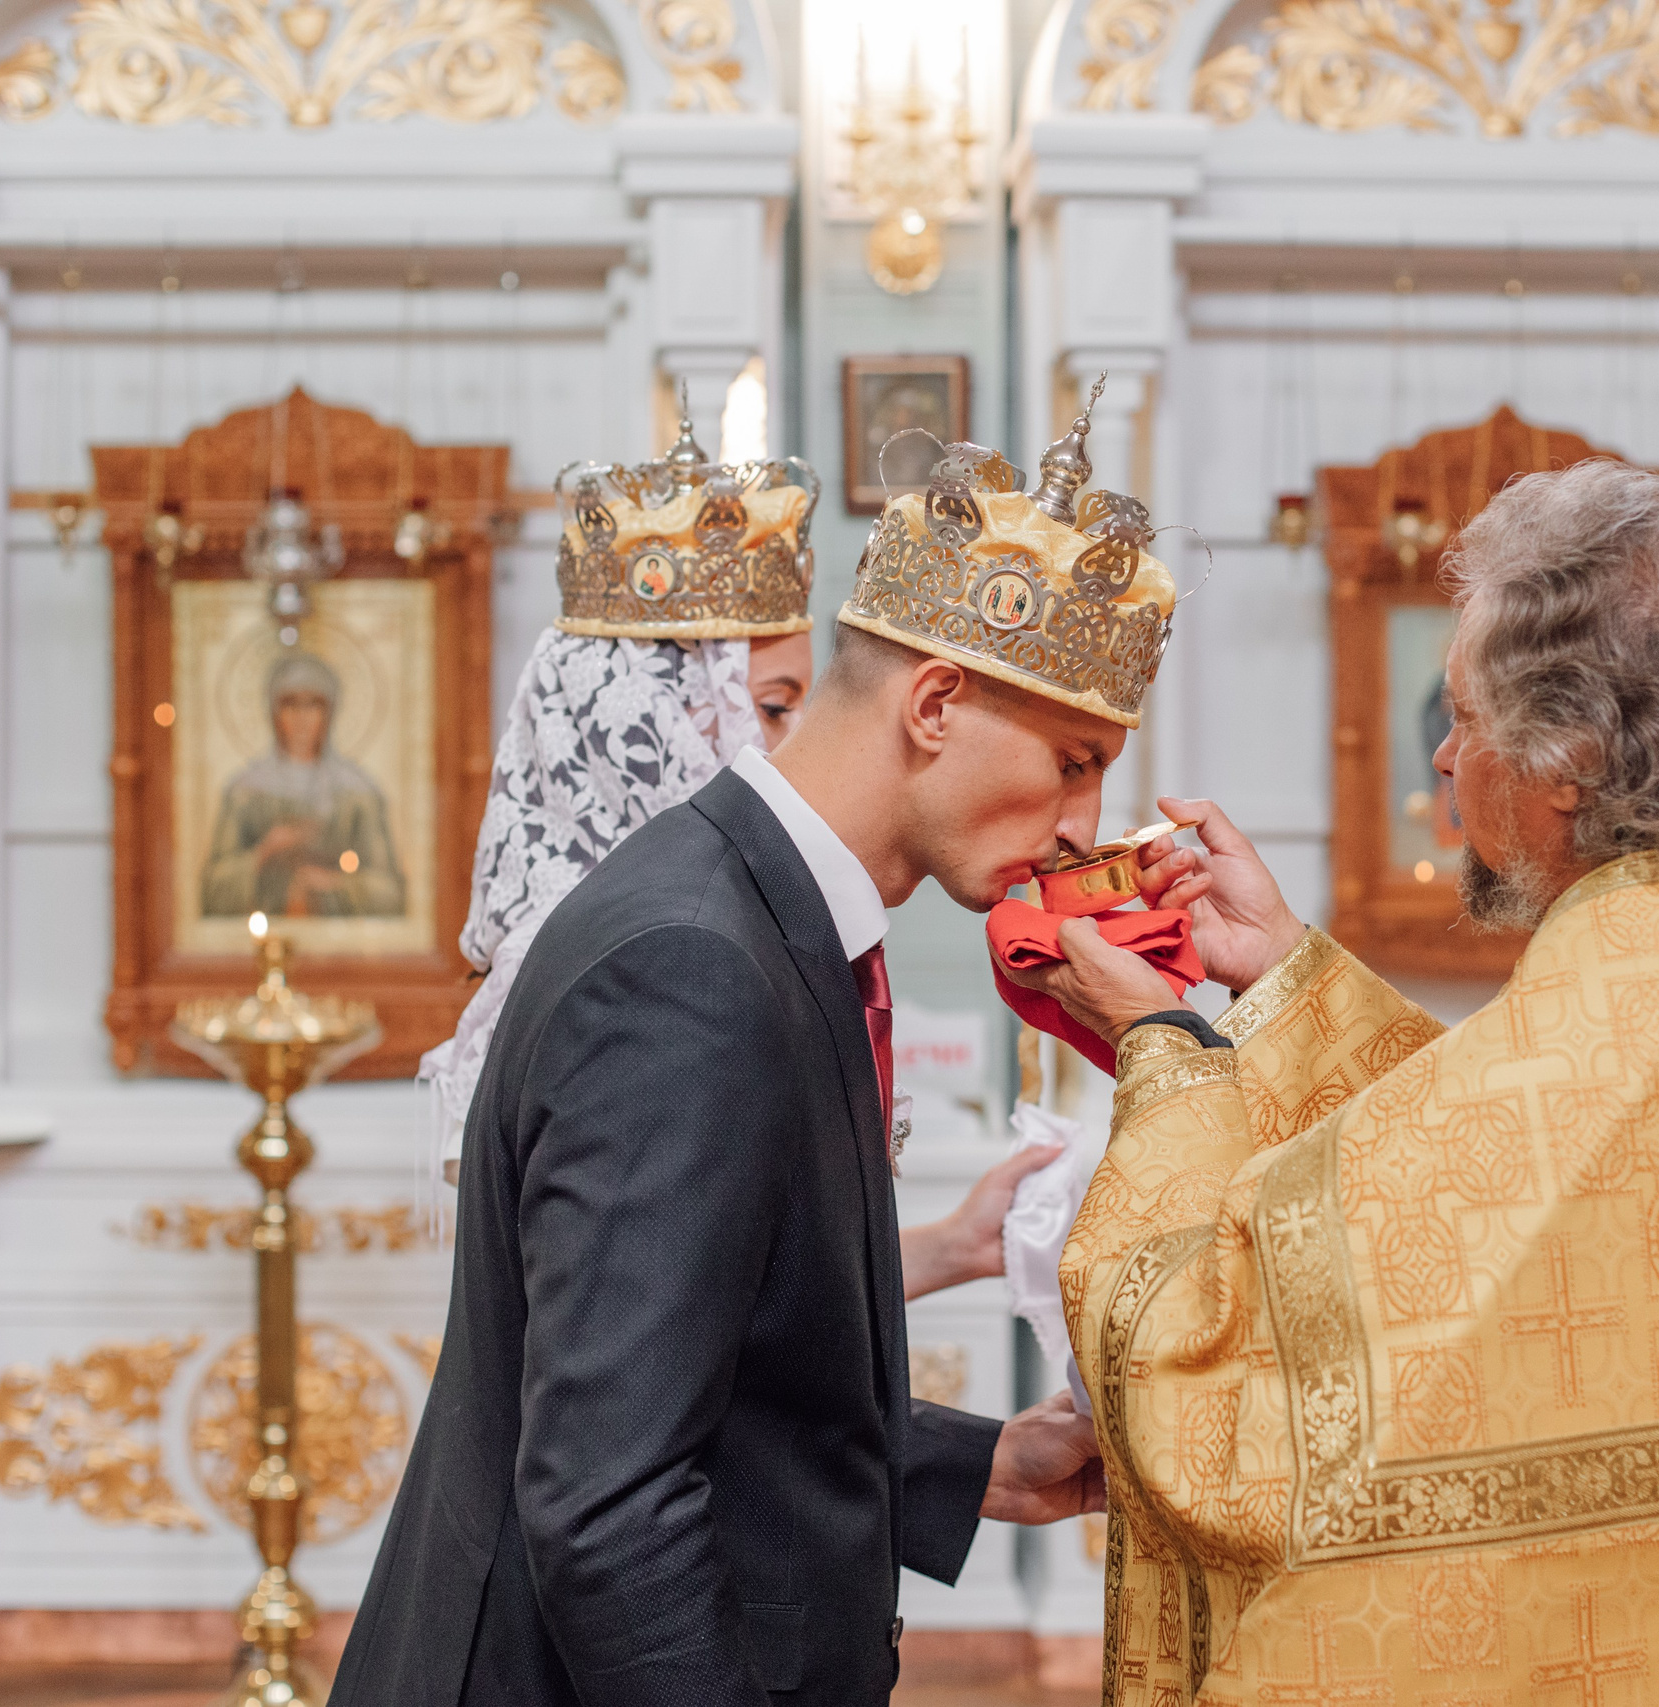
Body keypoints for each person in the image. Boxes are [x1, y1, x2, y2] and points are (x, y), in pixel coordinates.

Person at [1009, 460, 1659, 1705]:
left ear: (1566, 757)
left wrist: (1165, 1046)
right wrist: (1287, 983)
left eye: (1464, 718)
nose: (1447, 755)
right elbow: (1520, 1179)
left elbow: (1209, 1388)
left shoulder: (1648, 1013)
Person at [335, 392, 1171, 1706]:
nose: (1084, 823)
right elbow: (609, 1502)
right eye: (1074, 760)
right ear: (938, 701)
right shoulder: (694, 968)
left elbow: (720, 1380)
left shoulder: (757, 912)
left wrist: (974, 1464)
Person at [417, 406, 1055, 1292]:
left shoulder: (710, 929)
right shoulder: (658, 963)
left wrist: (950, 1247)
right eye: (773, 705)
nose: (797, 748)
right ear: (641, 718)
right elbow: (626, 1379)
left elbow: (715, 1294)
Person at [200, 650, 406, 918]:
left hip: (340, 945)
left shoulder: (358, 794)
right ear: (274, 712)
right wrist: (265, 851)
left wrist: (337, 884)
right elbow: (212, 891)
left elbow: (390, 894)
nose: (301, 717)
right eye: (291, 704)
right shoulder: (245, 793)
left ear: (329, 713)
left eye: (313, 705)